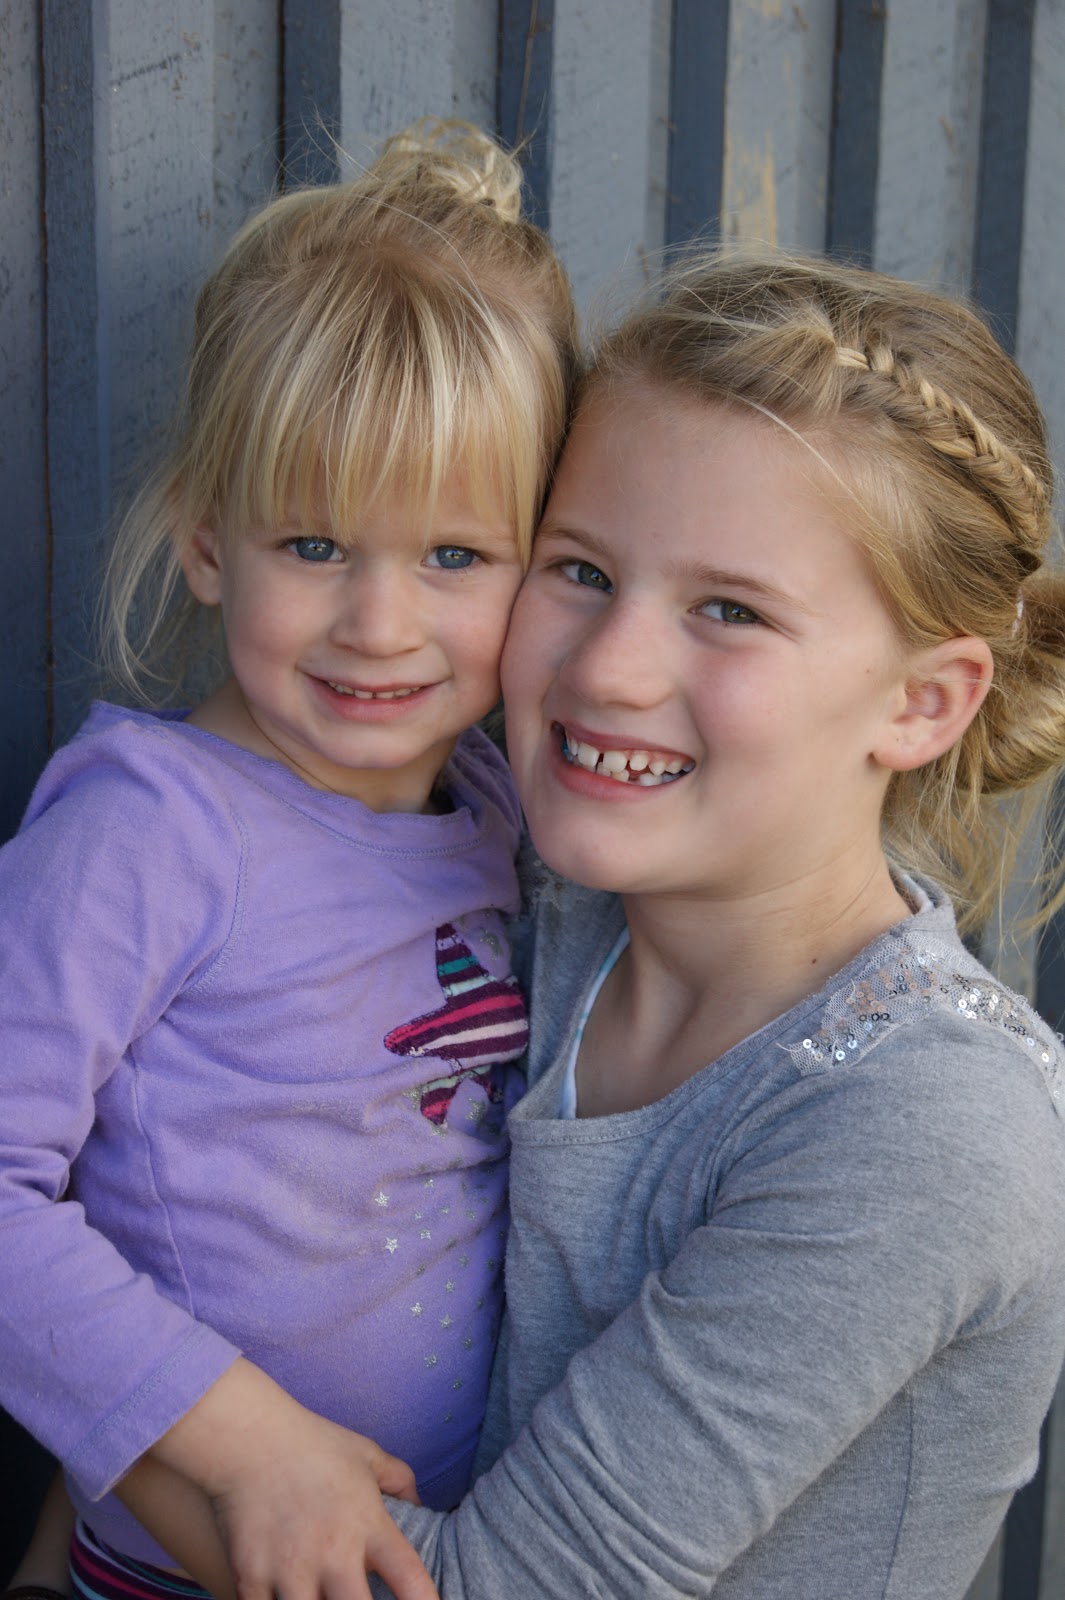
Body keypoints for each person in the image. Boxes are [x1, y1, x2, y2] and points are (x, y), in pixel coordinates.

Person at [32, 254, 1065, 1600]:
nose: (607, 669)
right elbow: (198, 1195)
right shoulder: (534, 899)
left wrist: (170, 1447)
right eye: (580, 569)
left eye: (730, 610)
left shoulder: (925, 1134)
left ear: (921, 703)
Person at [0, 119, 577, 1600]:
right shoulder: (149, 833)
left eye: (454, 556)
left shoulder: (499, 809)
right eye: (314, 546)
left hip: (447, 1545)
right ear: (207, 543)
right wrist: (242, 1439)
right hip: (200, 1560)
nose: (379, 626)